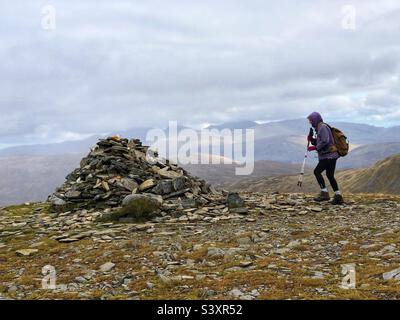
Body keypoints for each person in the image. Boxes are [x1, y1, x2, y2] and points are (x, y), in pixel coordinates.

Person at [307, 112, 344, 205]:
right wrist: (312, 140)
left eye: (311, 120)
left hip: (328, 156)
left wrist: (315, 147)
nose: (310, 122)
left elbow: (325, 141)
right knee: (330, 175)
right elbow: (322, 141)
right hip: (331, 155)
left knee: (317, 172)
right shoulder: (319, 127)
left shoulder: (322, 127)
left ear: (315, 119)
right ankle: (338, 196)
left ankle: (324, 193)